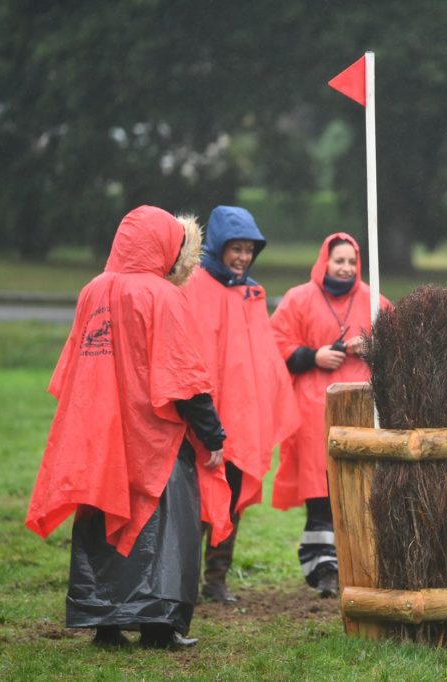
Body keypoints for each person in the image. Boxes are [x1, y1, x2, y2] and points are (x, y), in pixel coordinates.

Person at [25, 205, 234, 650]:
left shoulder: (92, 291)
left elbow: (73, 368)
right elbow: (185, 376)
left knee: (100, 517)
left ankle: (105, 624)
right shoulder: (162, 295)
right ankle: (159, 626)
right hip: (155, 439)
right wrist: (212, 435)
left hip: (99, 435)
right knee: (163, 528)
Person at [182, 206, 299, 604]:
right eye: (236, 248)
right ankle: (182, 579)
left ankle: (216, 579)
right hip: (203, 414)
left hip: (241, 416)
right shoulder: (193, 285)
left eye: (250, 250)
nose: (243, 257)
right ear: (217, 246)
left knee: (231, 499)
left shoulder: (252, 293)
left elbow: (260, 356)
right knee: (197, 499)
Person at [270, 233, 391, 597]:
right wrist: (313, 355)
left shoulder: (375, 301)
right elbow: (275, 343)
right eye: (340, 260)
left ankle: (360, 564)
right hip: (312, 411)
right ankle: (323, 567)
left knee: (361, 488)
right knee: (319, 488)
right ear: (325, 260)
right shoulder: (297, 299)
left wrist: (369, 346)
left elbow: (397, 343)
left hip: (362, 406)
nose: (346, 267)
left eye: (352, 261)